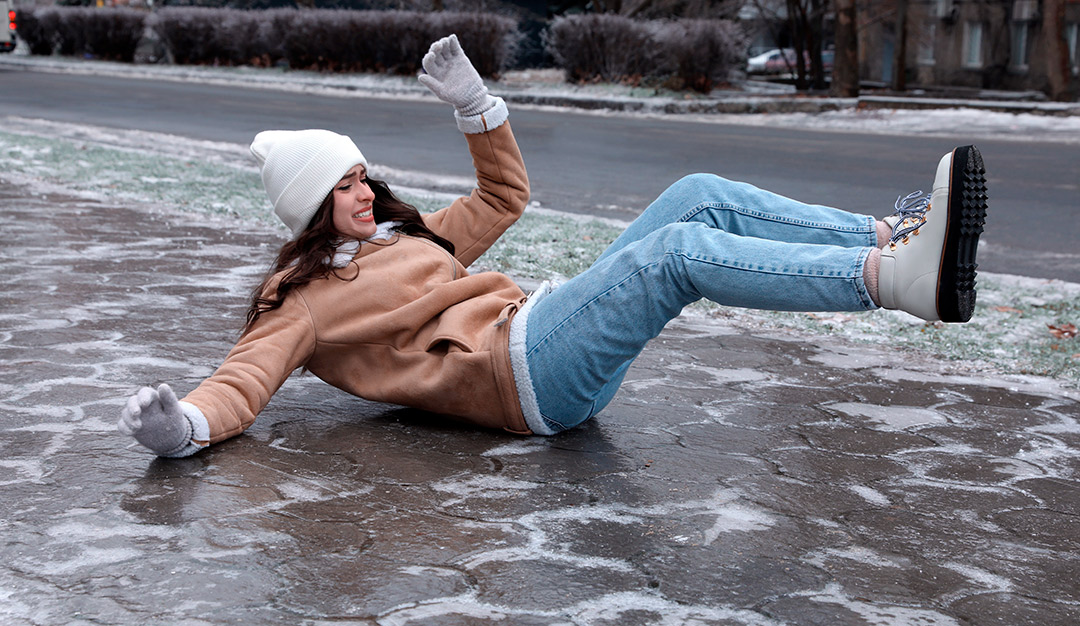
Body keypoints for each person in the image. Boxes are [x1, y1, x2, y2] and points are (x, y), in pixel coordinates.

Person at [119, 35, 988, 457]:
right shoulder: (303, 304)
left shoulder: (404, 236)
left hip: (541, 331)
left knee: (695, 195)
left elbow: (505, 196)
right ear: (308, 211)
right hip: (521, 373)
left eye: (360, 178)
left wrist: (477, 109)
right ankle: (895, 283)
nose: (361, 192)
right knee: (674, 252)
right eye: (340, 186)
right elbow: (245, 380)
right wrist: (184, 425)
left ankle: (897, 235)